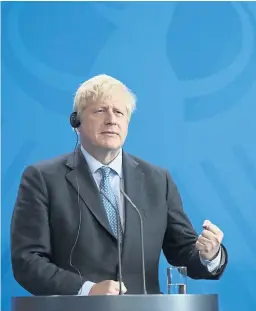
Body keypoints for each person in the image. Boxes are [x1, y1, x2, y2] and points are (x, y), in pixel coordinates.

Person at [10, 74, 228, 296]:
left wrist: (208, 255)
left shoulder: (157, 179)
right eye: (100, 111)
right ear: (76, 122)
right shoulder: (42, 178)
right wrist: (88, 290)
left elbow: (183, 251)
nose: (111, 119)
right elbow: (27, 261)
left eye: (119, 112)